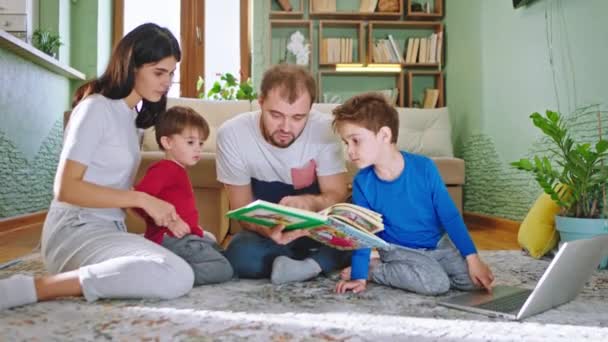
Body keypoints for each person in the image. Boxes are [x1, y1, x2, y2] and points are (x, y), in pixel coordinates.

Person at [0, 23, 195, 311]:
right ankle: (31, 288)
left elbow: (111, 186)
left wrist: (163, 215)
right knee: (177, 274)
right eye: (158, 72)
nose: (166, 82)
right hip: (74, 228)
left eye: (170, 73)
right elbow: (65, 188)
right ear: (131, 66)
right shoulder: (96, 108)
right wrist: (141, 198)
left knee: (187, 256)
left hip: (108, 228)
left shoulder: (130, 121)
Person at [331, 93, 494, 295]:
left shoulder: (424, 167)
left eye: (356, 141)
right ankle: (377, 270)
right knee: (436, 284)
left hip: (437, 245)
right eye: (347, 143)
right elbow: (363, 232)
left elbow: (450, 216)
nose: (349, 151)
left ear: (384, 135)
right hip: (398, 250)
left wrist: (472, 257)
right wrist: (360, 275)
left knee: (474, 281)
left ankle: (421, 270)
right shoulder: (362, 182)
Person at [217, 64, 351, 285]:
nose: (286, 127)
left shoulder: (326, 130)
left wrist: (308, 202)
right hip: (269, 237)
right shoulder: (232, 134)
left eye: (298, 117)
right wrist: (267, 229)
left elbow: (336, 195)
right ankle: (315, 265)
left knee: (351, 235)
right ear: (260, 102)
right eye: (276, 115)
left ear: (310, 109)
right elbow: (241, 209)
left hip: (316, 232)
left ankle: (302, 265)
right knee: (240, 254)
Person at [133, 106, 233, 285]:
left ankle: (175, 262)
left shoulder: (177, 169)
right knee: (223, 269)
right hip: (172, 238)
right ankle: (172, 274)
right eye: (190, 142)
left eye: (200, 143)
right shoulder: (164, 169)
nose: (198, 149)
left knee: (210, 240)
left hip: (182, 236)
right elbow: (137, 200)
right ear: (167, 143)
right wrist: (169, 221)